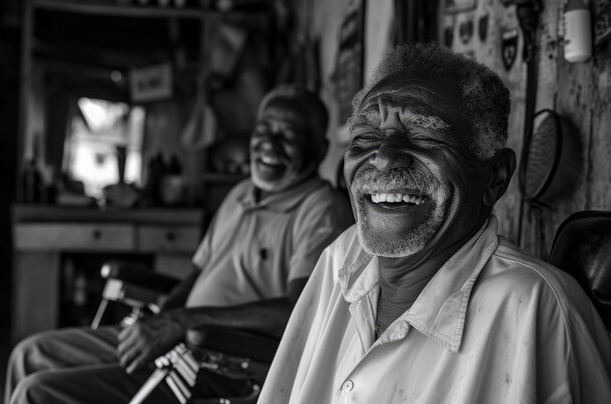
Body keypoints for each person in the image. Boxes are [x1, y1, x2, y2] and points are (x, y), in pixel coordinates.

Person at [257, 44, 611, 404]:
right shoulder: (343, 257)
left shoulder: (536, 308)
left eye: (424, 136)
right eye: (366, 136)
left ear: (495, 178)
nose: (383, 159)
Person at [5, 84, 353, 404]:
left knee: (37, 393)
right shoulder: (241, 193)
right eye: (263, 131)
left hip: (224, 362)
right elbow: (198, 274)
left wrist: (182, 322)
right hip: (178, 337)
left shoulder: (320, 208)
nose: (269, 144)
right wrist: (162, 318)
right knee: (29, 355)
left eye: (288, 136)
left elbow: (298, 311)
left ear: (319, 149)